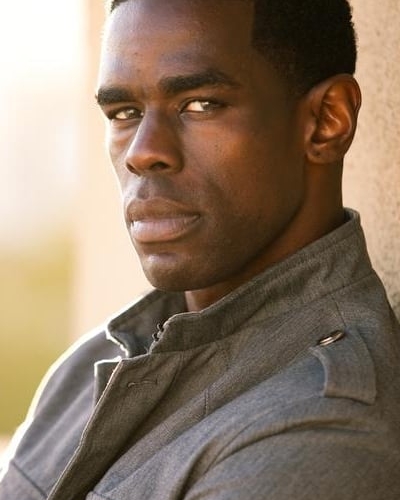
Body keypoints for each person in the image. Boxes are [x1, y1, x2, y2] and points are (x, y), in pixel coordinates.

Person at [1, 0, 400, 498]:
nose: (143, 152)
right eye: (124, 113)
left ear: (326, 120)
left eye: (200, 104)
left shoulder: (322, 432)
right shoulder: (96, 360)